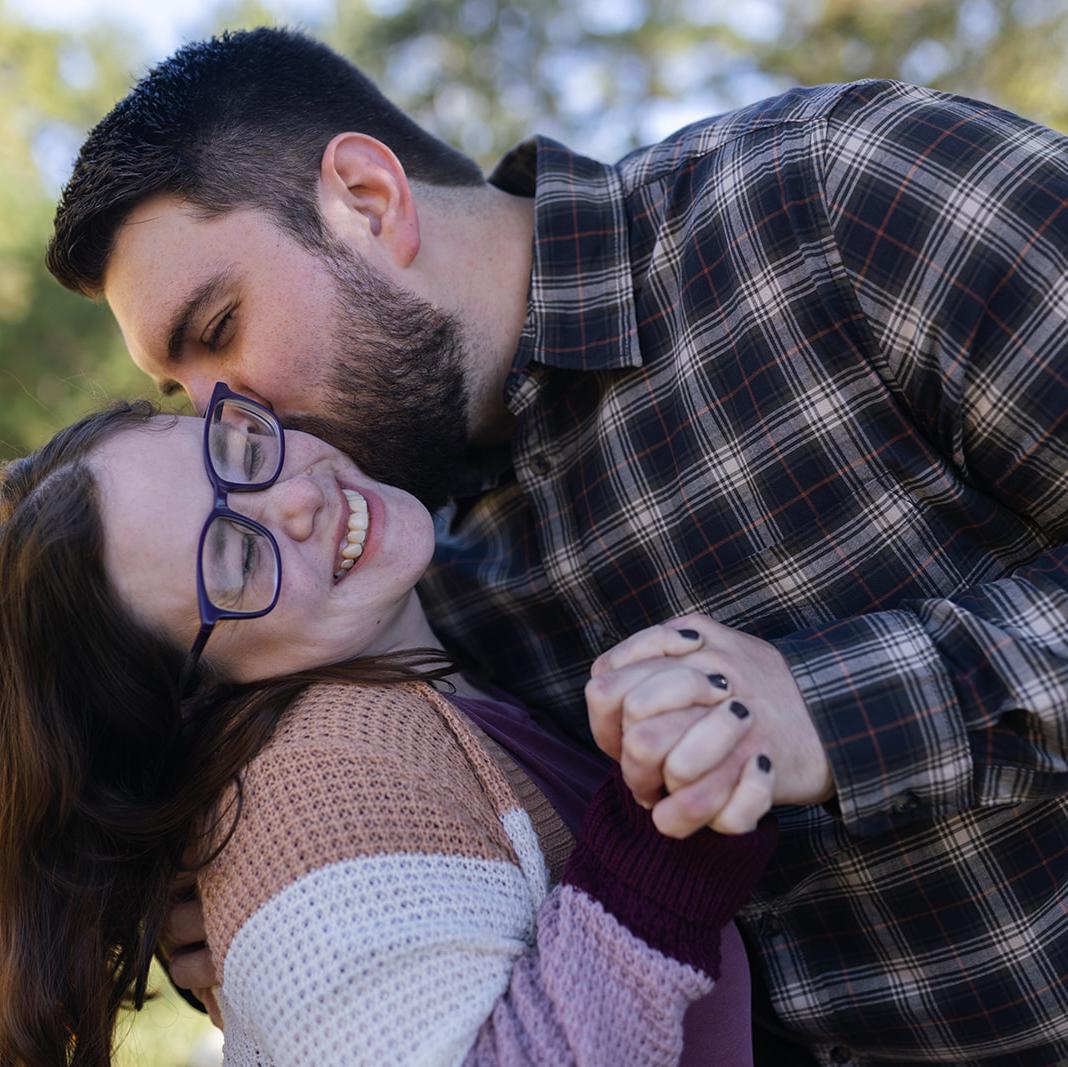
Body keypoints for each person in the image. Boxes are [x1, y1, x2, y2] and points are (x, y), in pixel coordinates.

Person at [46, 27, 1068, 1066]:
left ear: (367, 198)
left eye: (220, 327)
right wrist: (241, 906)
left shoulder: (835, 198)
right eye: (187, 395)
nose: (237, 421)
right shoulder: (401, 566)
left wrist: (823, 707)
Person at [0, 388, 778, 1067]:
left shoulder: (434, 644)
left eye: (237, 451)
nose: (293, 499)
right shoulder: (317, 784)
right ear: (197, 698)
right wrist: (658, 855)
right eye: (234, 559)